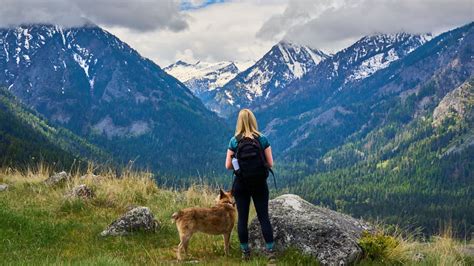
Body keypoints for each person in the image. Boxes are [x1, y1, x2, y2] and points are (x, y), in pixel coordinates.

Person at [225, 108, 275, 261]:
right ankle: (270, 253)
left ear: (239, 122)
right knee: (263, 217)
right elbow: (270, 163)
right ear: (253, 120)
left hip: (241, 184)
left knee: (242, 219)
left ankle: (245, 252)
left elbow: (228, 165)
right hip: (259, 183)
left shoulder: (234, 141)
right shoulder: (262, 139)